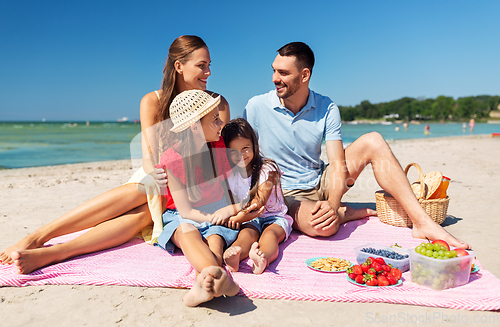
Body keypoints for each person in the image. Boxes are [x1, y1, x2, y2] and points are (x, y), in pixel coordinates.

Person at [1, 35, 231, 274]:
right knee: (147, 188)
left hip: (195, 182)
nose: (208, 72)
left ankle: (56, 251)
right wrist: (158, 174)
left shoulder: (217, 103)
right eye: (202, 65)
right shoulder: (153, 101)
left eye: (209, 65)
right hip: (160, 173)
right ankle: (39, 236)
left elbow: (218, 153)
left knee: (146, 214)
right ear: (179, 66)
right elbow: (149, 156)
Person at [243, 41, 469, 249]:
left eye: (283, 72)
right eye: (273, 70)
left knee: (374, 140)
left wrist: (332, 202)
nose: (274, 78)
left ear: (304, 75)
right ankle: (347, 213)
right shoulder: (256, 107)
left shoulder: (326, 106)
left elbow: (337, 161)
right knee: (324, 227)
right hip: (288, 193)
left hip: (322, 180)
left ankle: (422, 222)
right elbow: (243, 159)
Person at [156, 90, 255, 306]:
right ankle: (218, 275)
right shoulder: (173, 159)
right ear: (194, 127)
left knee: (216, 236)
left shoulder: (217, 146)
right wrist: (214, 217)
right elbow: (185, 212)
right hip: (185, 214)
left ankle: (205, 280)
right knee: (186, 232)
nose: (221, 124)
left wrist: (227, 211)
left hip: (216, 209)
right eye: (215, 120)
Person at [220, 118, 293, 274]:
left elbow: (259, 201)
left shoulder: (269, 168)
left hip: (274, 217)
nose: (241, 154)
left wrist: (238, 217)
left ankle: (263, 258)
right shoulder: (229, 174)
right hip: (251, 219)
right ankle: (234, 255)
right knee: (246, 235)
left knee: (270, 235)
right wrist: (238, 218)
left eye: (245, 148)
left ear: (254, 144)